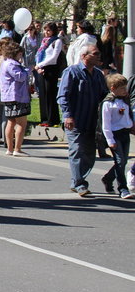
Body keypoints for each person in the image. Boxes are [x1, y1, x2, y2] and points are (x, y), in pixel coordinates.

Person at [57, 44, 108, 197]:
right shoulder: (72, 72)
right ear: (84, 56)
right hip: (75, 120)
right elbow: (62, 96)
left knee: (90, 154)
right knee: (77, 150)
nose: (99, 56)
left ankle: (77, 180)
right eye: (95, 53)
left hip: (92, 120)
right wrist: (67, 115)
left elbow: (104, 95)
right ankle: (79, 183)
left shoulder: (98, 74)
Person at [98, 73, 133, 198]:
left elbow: (127, 117)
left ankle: (108, 178)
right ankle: (123, 189)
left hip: (125, 133)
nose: (125, 90)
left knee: (123, 161)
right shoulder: (108, 103)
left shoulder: (125, 100)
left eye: (125, 87)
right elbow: (106, 124)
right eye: (122, 88)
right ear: (113, 88)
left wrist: (131, 126)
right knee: (119, 161)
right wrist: (110, 140)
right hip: (115, 135)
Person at [0, 42, 31, 156]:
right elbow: (20, 77)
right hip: (17, 96)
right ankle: (17, 149)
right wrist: (28, 70)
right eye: (20, 54)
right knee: (21, 123)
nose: (21, 56)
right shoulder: (12, 64)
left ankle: (10, 148)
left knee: (11, 121)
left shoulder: (5, 63)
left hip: (8, 96)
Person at [34, 21, 65, 127]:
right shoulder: (44, 41)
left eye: (48, 30)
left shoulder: (57, 41)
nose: (46, 32)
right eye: (45, 30)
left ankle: (52, 119)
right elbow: (38, 55)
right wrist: (38, 66)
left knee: (50, 94)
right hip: (41, 69)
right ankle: (44, 118)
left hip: (51, 69)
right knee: (42, 94)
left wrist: (41, 65)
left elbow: (54, 58)